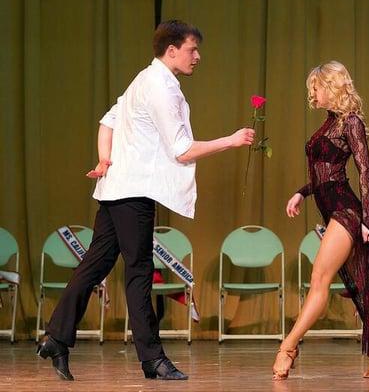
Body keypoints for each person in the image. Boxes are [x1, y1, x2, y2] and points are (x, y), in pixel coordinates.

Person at [36, 20, 255, 381]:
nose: (197, 56)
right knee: (138, 273)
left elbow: (107, 122)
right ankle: (152, 358)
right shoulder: (160, 87)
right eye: (191, 49)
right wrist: (229, 141)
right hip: (133, 192)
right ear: (172, 50)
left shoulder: (144, 79)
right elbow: (182, 151)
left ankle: (57, 338)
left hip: (117, 189)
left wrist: (105, 159)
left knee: (95, 265)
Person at [272, 61, 369, 380]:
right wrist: (301, 192)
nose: (313, 93)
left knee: (319, 280)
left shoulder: (350, 122)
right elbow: (326, 174)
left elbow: (364, 171)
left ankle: (288, 347)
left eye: (316, 87)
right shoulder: (329, 123)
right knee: (363, 283)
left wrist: (368, 218)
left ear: (331, 85)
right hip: (334, 208)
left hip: (346, 212)